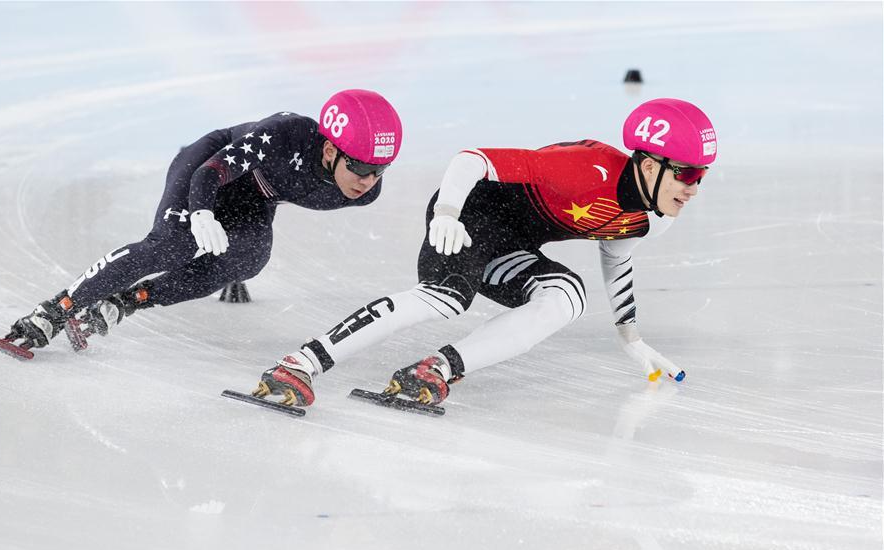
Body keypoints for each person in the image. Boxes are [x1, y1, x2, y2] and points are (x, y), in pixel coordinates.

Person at [252, 98, 717, 408]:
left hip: (512, 244)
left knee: (567, 295)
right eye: (689, 176)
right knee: (447, 296)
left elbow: (617, 258)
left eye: (702, 176)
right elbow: (472, 159)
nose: (694, 189)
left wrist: (631, 339)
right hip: (469, 214)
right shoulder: (583, 169)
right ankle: (298, 365)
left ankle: (434, 369)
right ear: (652, 165)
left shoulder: (653, 216)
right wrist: (447, 214)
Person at [0, 89, 403, 353]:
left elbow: (278, 191)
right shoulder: (283, 135)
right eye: (362, 167)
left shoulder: (361, 192)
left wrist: (234, 266)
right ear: (331, 150)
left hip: (256, 193)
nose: (367, 182)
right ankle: (54, 309)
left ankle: (126, 301)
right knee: (171, 245)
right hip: (209, 165)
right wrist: (203, 212)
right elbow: (210, 172)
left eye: (380, 171)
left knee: (252, 258)